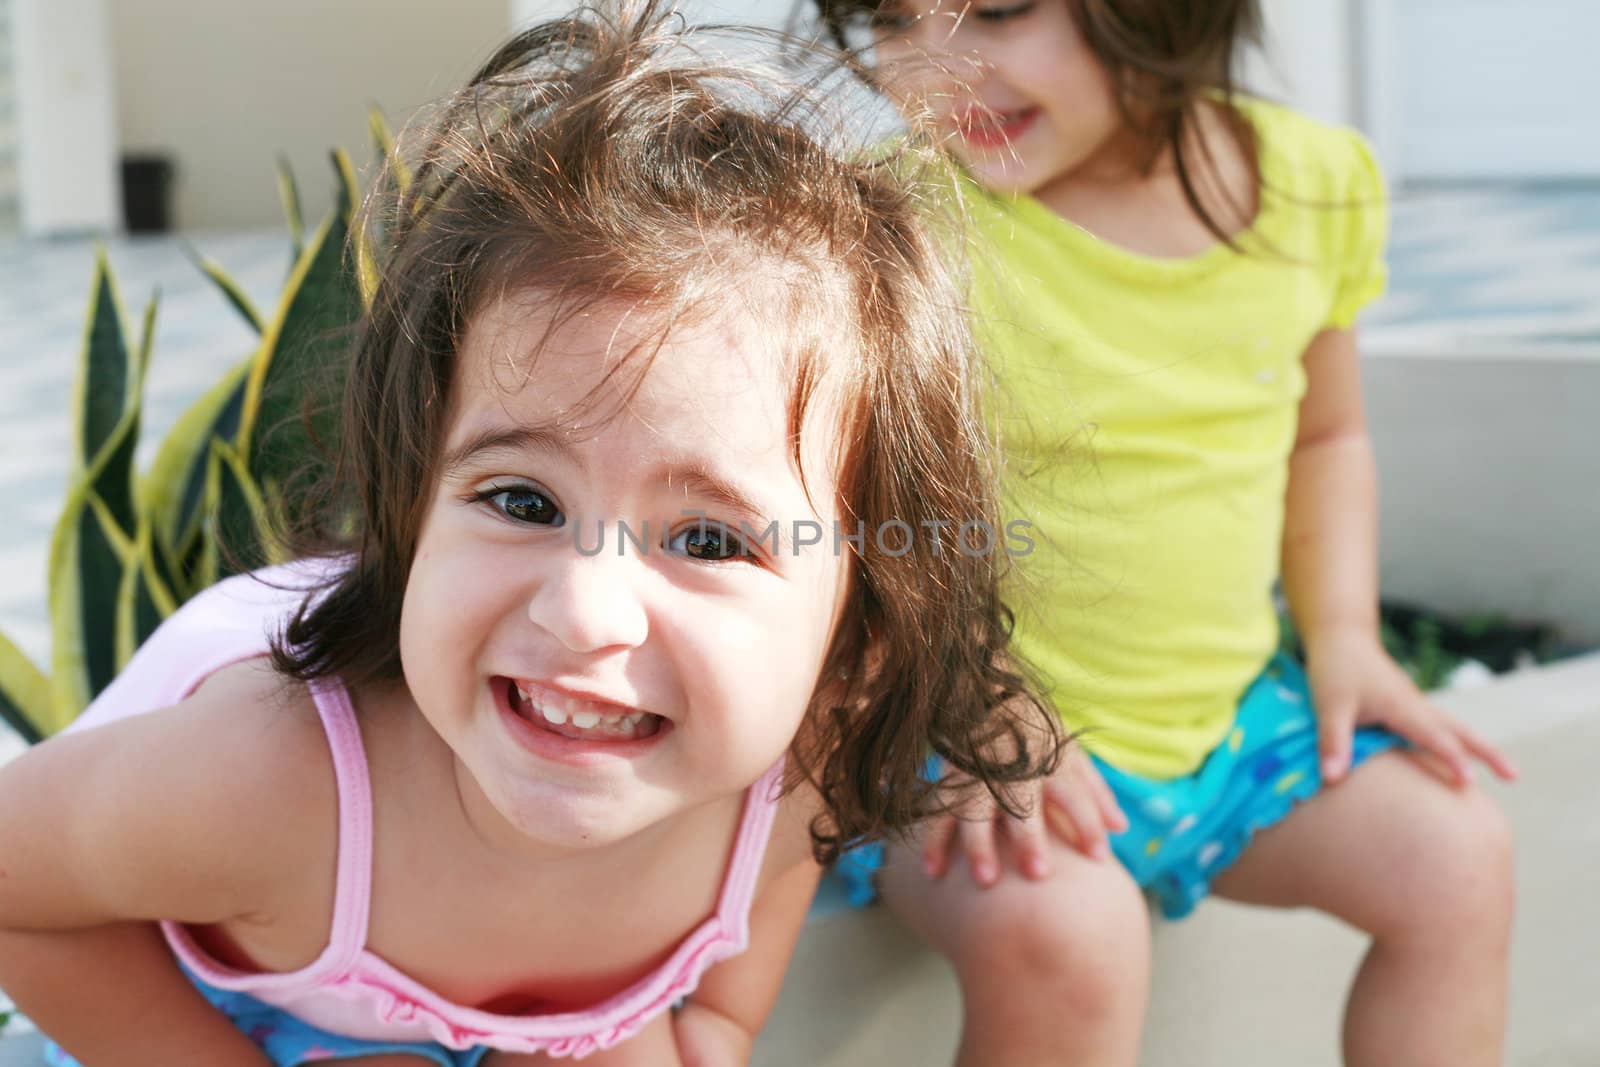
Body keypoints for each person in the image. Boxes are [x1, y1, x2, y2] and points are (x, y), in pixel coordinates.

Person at [0, 5, 1060, 1064]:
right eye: (521, 501)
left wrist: (717, 1025)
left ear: (857, 620)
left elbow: (768, 874)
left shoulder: (805, 755)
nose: (582, 607)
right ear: (411, 505)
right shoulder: (264, 780)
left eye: (708, 541)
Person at [815, 2, 1519, 1064]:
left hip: (1225, 728)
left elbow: (1323, 439)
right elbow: (846, 510)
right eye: (891, 20)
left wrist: (1346, 640)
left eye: (996, 9)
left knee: (1459, 858)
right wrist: (964, 693)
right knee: (1072, 939)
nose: (940, 68)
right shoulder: (900, 215)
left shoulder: (1308, 185)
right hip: (960, 735)